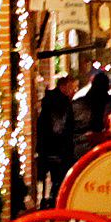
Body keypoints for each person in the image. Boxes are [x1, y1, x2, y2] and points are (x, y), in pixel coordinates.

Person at [34, 75, 79, 203]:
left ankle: (50, 196)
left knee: (51, 175)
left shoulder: (49, 101)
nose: (72, 90)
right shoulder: (62, 103)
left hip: (47, 146)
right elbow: (61, 126)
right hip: (58, 146)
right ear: (63, 87)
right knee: (59, 175)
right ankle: (56, 198)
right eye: (70, 87)